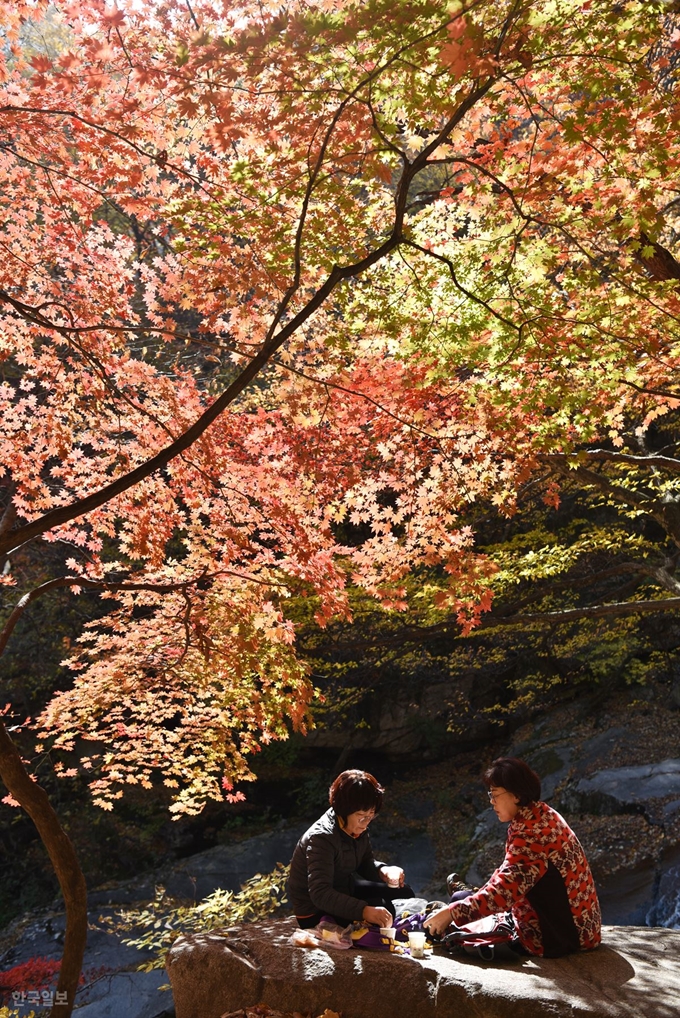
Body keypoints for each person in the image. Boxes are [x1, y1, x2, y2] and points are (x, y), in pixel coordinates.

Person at [424, 757, 601, 957]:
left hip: (559, 937)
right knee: (461, 901)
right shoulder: (541, 814)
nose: (491, 801)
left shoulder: (531, 834)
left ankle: (465, 899)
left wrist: (451, 913)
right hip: (578, 928)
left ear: (516, 795)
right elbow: (509, 873)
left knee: (457, 910)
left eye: (495, 795)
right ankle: (468, 896)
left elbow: (504, 892)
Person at [287, 768, 414, 929]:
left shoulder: (356, 827)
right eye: (362, 816)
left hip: (344, 888)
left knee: (404, 893)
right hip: (315, 911)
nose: (366, 822)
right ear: (344, 810)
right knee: (382, 907)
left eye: (371, 815)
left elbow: (365, 863)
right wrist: (364, 911)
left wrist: (384, 871)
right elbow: (320, 893)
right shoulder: (322, 838)